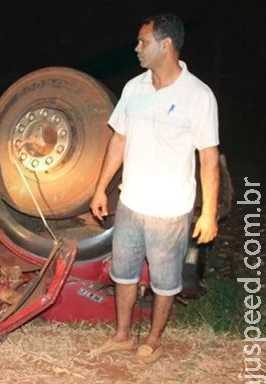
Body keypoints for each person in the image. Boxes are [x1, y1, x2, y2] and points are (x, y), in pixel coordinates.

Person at [89, 13, 220, 363]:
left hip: (169, 210)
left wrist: (208, 212)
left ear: (166, 45)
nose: (136, 48)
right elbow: (119, 139)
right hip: (131, 203)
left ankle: (154, 339)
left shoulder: (198, 95)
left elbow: (208, 157)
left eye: (142, 42)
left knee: (164, 281)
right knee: (124, 274)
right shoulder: (135, 88)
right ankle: (121, 336)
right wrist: (101, 188)